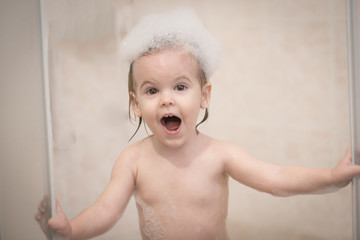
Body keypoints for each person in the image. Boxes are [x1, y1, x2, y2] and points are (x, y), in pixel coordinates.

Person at [36, 8, 360, 240]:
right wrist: (73, 230)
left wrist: (331, 178)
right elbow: (107, 210)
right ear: (136, 104)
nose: (167, 99)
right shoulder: (133, 161)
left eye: (180, 86)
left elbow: (276, 178)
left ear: (204, 96)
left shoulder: (220, 155)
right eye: (152, 90)